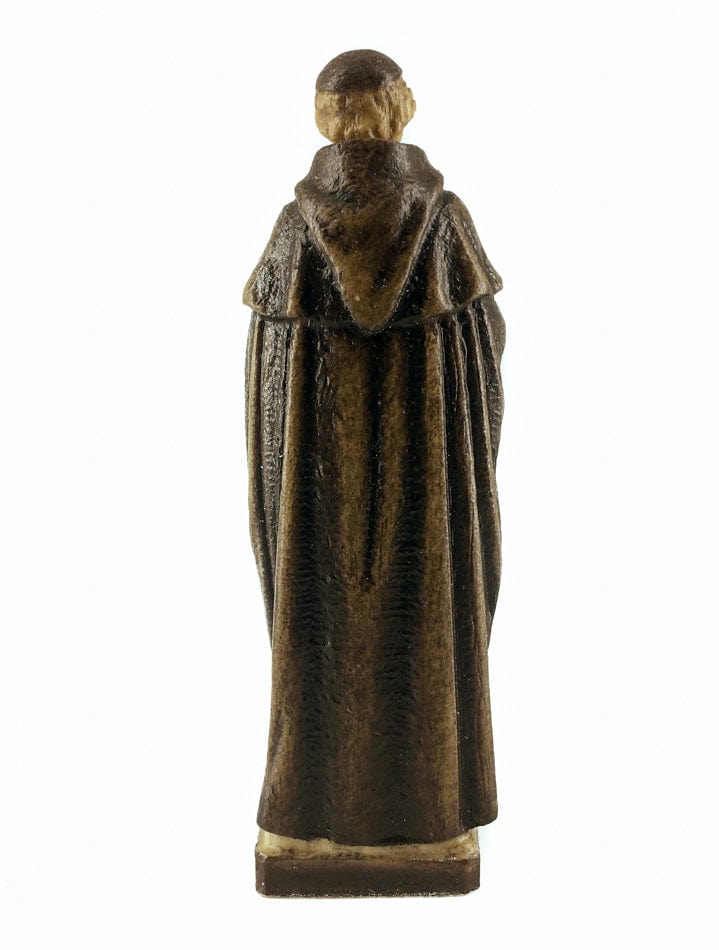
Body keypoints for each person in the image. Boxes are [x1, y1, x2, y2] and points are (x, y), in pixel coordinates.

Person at [243, 49, 506, 896]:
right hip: (427, 490)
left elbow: (269, 389)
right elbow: (481, 359)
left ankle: (310, 814)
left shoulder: (295, 232)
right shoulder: (444, 223)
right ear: (400, 109)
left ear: (327, 117)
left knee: (317, 626)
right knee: (424, 620)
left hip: (315, 496)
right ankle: (428, 813)